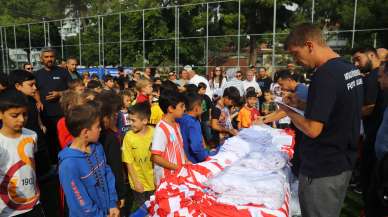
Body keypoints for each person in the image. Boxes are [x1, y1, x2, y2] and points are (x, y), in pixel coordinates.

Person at [280, 23, 363, 217]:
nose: (296, 60)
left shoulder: (324, 75)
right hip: (343, 162)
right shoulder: (348, 68)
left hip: (322, 168)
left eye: (295, 53)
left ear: (309, 45)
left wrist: (288, 111)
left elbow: (312, 129)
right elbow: (337, 109)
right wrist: (301, 105)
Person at [58, 102, 119, 217]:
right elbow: (79, 202)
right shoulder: (68, 165)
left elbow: (107, 174)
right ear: (85, 132)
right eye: (97, 126)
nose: (101, 129)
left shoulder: (97, 147)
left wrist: (112, 203)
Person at [0, 90, 45, 216]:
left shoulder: (32, 135)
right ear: (1, 114)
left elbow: (31, 164)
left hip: (33, 203)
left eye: (24, 114)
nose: (21, 119)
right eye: (14, 115)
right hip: (8, 210)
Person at [352, 47, 388, 201]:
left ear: (371, 55)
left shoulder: (373, 78)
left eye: (358, 59)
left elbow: (370, 107)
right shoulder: (371, 77)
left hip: (375, 142)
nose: (356, 64)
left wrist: (346, 113)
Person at [8, 70, 50, 176]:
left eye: (35, 84)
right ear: (18, 86)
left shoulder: (31, 100)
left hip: (38, 145)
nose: (35, 88)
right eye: (31, 85)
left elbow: (35, 116)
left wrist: (40, 124)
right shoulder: (10, 106)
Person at [34, 47, 71, 164]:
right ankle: (53, 164)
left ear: (55, 58)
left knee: (63, 139)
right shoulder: (37, 74)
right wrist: (38, 101)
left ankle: (66, 161)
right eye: (46, 57)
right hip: (45, 114)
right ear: (41, 59)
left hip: (61, 113)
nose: (49, 59)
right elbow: (35, 91)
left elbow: (72, 89)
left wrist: (59, 93)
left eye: (51, 56)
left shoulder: (63, 72)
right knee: (49, 141)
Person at [97, 92, 126, 212]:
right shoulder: (109, 138)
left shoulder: (95, 136)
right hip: (112, 190)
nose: (116, 115)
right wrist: (121, 193)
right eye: (113, 113)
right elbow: (115, 167)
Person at [122, 102, 155, 210]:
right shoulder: (128, 137)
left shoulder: (155, 133)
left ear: (145, 120)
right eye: (129, 120)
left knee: (155, 206)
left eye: (133, 120)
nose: (131, 124)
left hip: (153, 180)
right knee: (143, 209)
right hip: (138, 182)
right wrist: (136, 181)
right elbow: (128, 161)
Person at [151, 90, 188, 185]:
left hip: (178, 175)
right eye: (182, 106)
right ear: (171, 109)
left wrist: (186, 162)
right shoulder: (161, 129)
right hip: (167, 180)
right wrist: (178, 167)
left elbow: (180, 148)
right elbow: (156, 157)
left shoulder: (176, 125)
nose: (184, 109)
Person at [177, 92, 210, 163]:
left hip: (182, 158)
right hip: (194, 161)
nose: (203, 108)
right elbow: (196, 147)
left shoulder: (179, 118)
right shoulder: (193, 123)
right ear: (196, 108)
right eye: (201, 106)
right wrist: (206, 157)